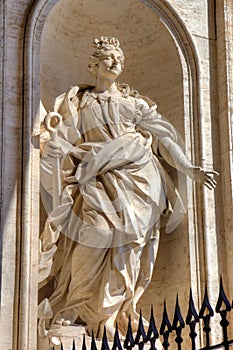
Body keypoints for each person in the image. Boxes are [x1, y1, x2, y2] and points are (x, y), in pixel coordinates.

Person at [39, 36, 218, 339]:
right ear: (94, 63)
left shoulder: (135, 105)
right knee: (92, 238)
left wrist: (188, 167)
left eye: (119, 58)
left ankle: (112, 315)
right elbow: (60, 137)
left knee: (131, 247)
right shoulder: (77, 102)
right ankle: (74, 308)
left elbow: (164, 138)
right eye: (109, 57)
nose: (116, 62)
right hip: (94, 180)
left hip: (138, 182)